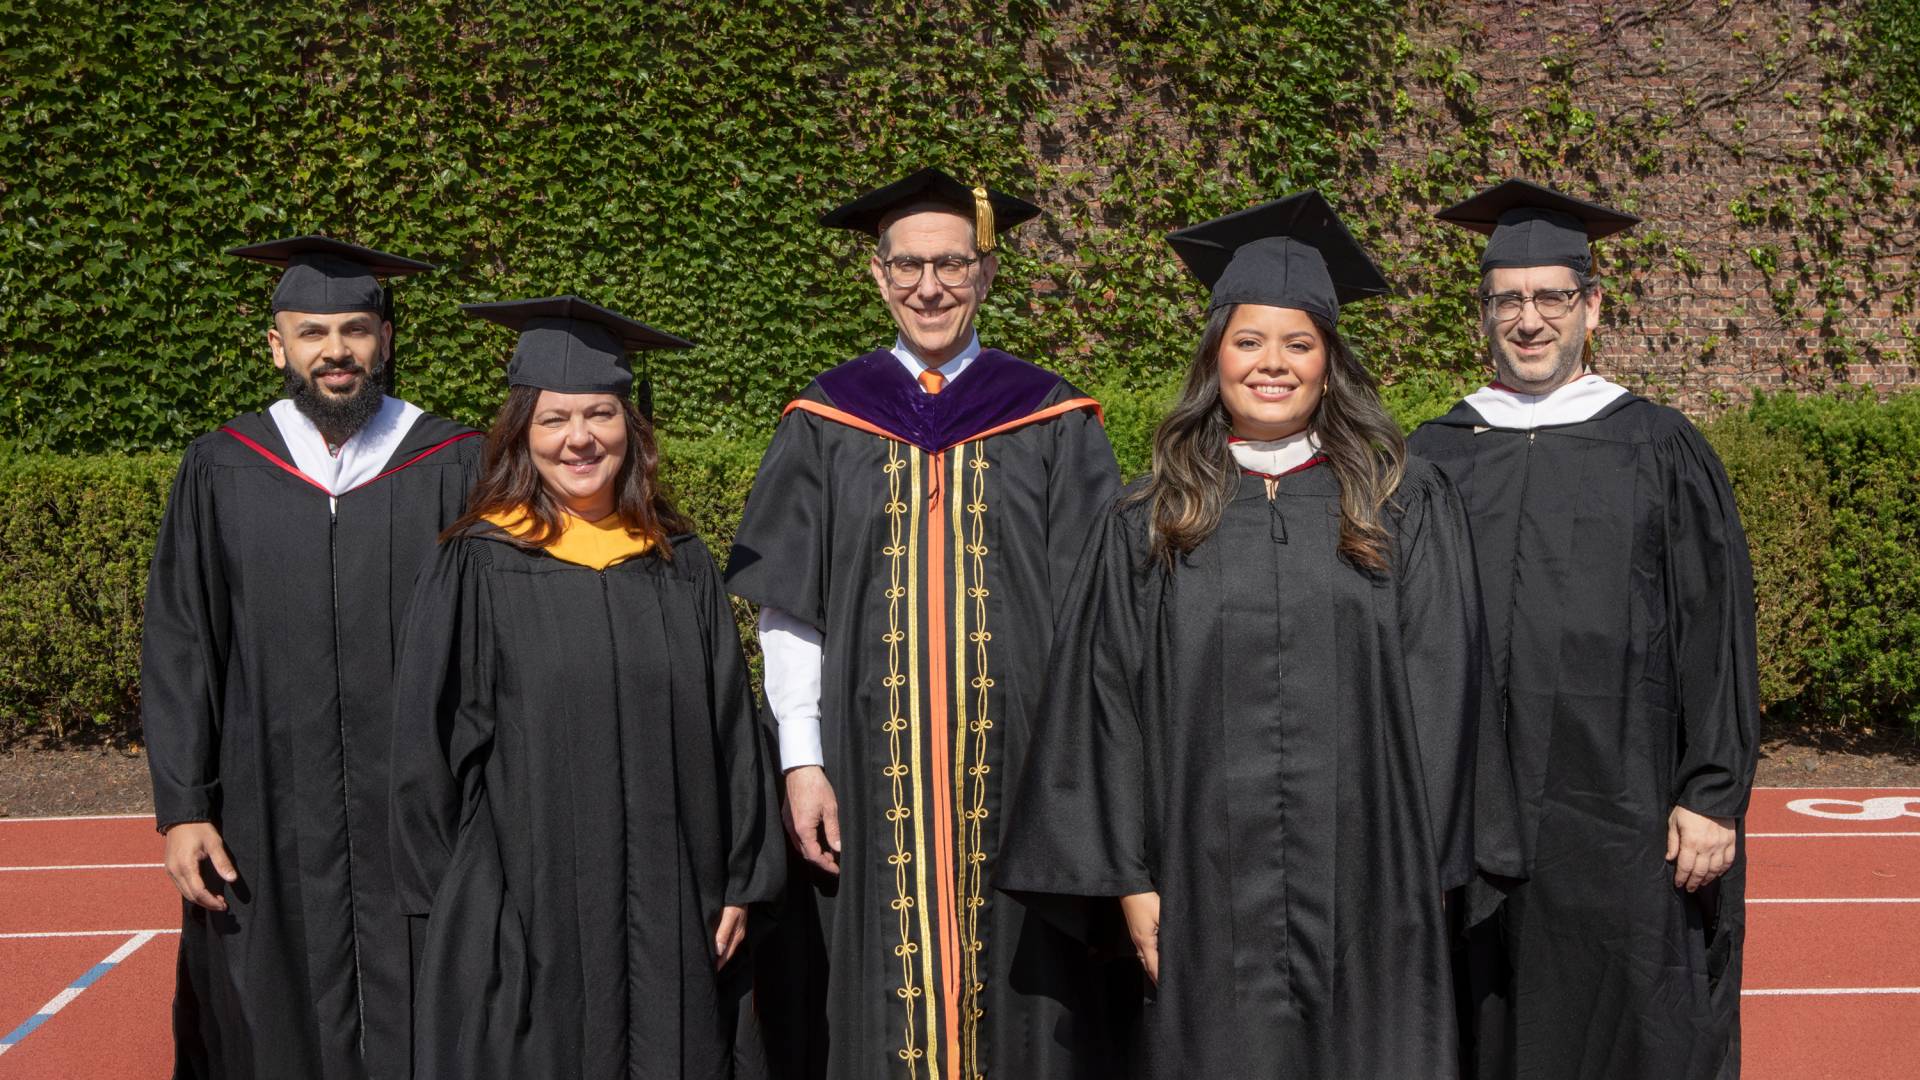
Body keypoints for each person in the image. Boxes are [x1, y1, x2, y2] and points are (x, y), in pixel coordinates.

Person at [994, 190, 1523, 1078]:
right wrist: (1131, 877)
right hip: (1200, 890)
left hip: (1373, 886)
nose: (1271, 365)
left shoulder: (1403, 504)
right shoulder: (1150, 520)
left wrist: (1425, 866)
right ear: (1215, 357)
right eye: (1248, 341)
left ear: (1329, 363)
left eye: (1298, 343)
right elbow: (1105, 708)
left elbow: (1447, 691)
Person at [726, 167, 1124, 1080]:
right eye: (908, 267)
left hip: (1025, 768)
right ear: (878, 275)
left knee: (1032, 996)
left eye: (951, 264)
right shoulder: (827, 420)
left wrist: (1085, 774)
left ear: (986, 273)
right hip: (868, 773)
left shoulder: (1053, 417)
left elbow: (1099, 617)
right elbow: (791, 609)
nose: (929, 287)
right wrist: (802, 760)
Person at [1408, 179, 1761, 1080]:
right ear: (1483, 312)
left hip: (1622, 810)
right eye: (1509, 301)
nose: (1530, 321)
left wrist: (1713, 792)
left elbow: (1714, 629)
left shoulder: (1657, 445)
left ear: (1592, 307)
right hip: (1471, 815)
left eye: (1552, 298)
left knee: (1632, 1019)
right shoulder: (1436, 453)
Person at [388, 295, 784, 1079]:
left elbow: (730, 728)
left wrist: (743, 878)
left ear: (630, 430)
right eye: (554, 419)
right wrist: (466, 908)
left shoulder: (678, 561)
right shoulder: (478, 561)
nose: (579, 439)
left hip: (675, 900)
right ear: (521, 436)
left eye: (600, 415)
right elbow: (425, 750)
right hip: (529, 909)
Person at [141, 236, 482, 1079]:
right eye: (312, 333)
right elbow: (183, 640)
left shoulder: (455, 461)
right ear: (277, 346)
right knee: (268, 1017)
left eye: (356, 331)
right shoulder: (224, 466)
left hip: (417, 807)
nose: (336, 352)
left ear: (386, 341)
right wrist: (183, 805)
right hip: (265, 806)